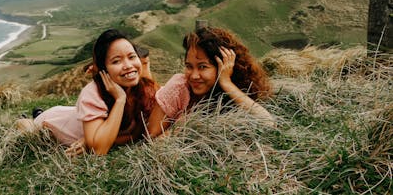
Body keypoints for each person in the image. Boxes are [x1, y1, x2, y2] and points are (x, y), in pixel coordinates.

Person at [16, 29, 158, 155]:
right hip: (54, 124)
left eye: (132, 57)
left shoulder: (141, 87)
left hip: (71, 114)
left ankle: (38, 113)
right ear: (104, 69)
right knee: (30, 128)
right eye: (116, 61)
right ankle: (29, 118)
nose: (128, 66)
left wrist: (89, 139)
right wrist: (120, 99)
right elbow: (99, 149)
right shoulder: (92, 93)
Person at [147, 27, 275, 137]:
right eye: (189, 66)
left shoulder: (233, 90)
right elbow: (152, 139)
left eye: (203, 67)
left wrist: (226, 82)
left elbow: (267, 123)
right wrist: (183, 127)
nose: (194, 76)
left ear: (223, 66)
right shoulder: (179, 87)